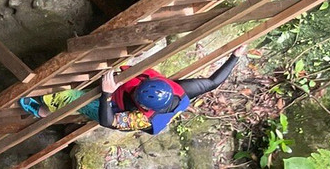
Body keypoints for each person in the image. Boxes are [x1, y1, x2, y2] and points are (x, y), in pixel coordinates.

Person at [18, 48, 245, 135]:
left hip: (115, 108)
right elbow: (213, 82)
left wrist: (107, 94)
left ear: (144, 106)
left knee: (72, 99)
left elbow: (108, 121)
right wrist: (235, 56)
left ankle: (42, 112)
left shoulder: (139, 118)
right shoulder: (179, 90)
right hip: (120, 92)